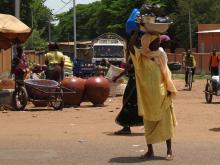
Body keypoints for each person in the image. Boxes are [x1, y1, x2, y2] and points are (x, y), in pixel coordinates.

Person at [113, 31, 143, 134]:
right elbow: (128, 69)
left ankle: (127, 127)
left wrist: (135, 31)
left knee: (129, 102)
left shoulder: (140, 52)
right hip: (133, 80)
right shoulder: (134, 54)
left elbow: (133, 67)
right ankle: (128, 126)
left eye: (134, 40)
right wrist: (117, 76)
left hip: (136, 82)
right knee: (131, 102)